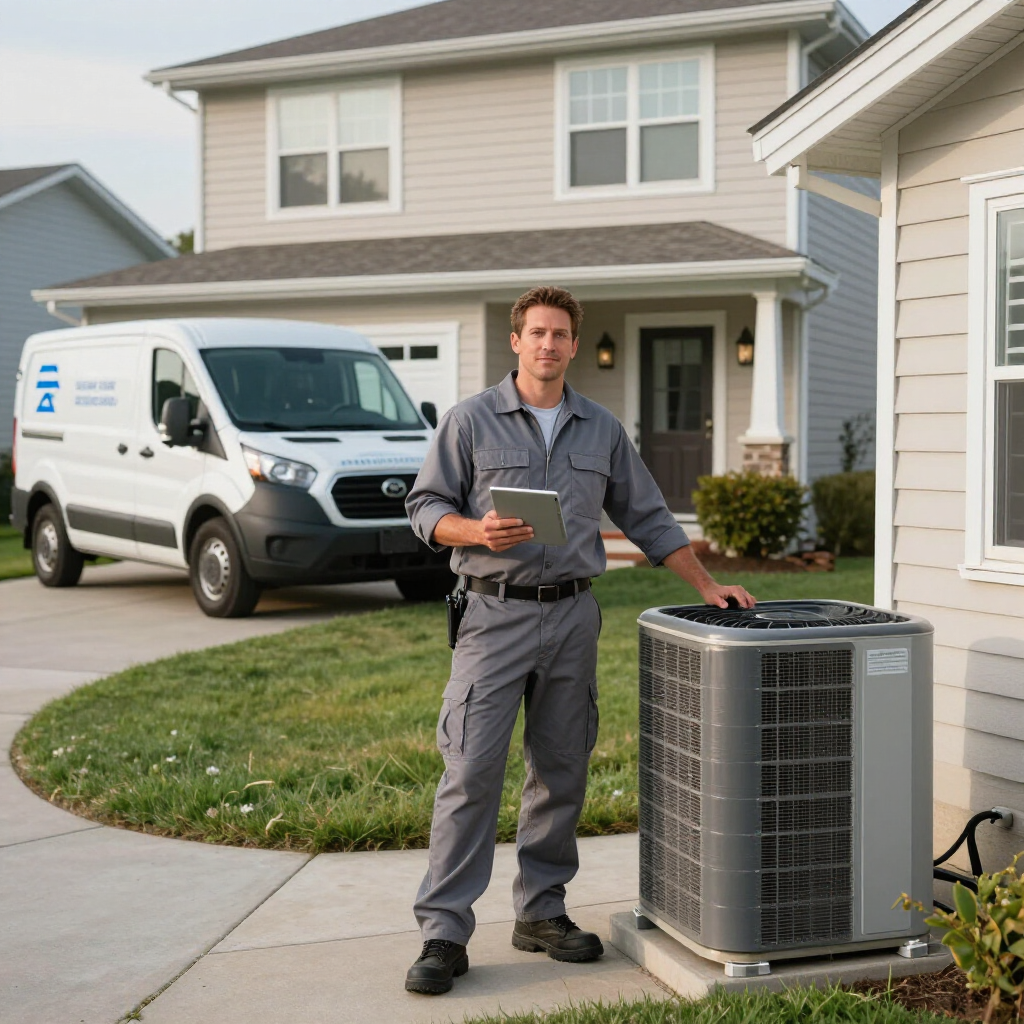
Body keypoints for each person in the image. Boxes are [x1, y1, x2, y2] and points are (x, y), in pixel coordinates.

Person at [403, 286, 755, 995]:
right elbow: (424, 507)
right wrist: (476, 531)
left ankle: (541, 911)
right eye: (537, 332)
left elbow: (649, 516)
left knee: (561, 770)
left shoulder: (601, 428)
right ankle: (443, 931)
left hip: (571, 618)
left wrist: (707, 586)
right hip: (492, 615)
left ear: (572, 344)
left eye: (560, 334)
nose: (548, 345)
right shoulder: (471, 420)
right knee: (471, 771)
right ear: (516, 340)